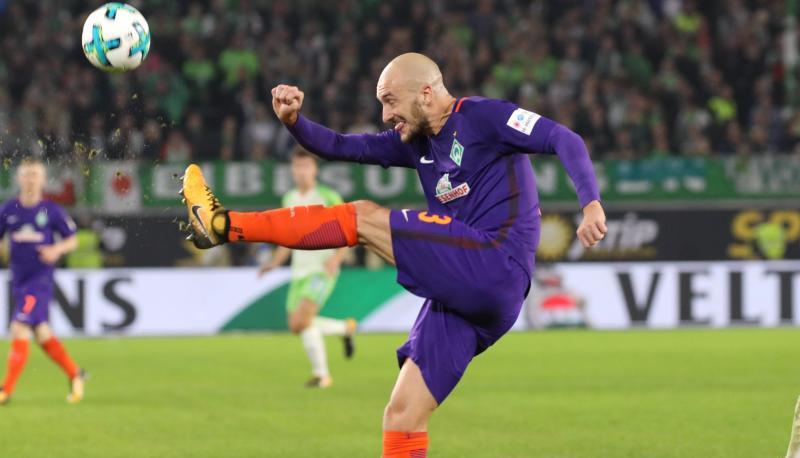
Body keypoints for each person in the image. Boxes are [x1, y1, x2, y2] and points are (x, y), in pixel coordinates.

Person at [180, 52, 606, 457]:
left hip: (495, 263)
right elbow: (342, 147)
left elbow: (561, 137)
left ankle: (223, 225)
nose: (385, 115)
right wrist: (294, 122)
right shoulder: (415, 142)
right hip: (468, 295)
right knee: (402, 414)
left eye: (390, 100)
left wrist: (590, 203)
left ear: (425, 91)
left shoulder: (484, 116)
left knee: (363, 218)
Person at [258, 146, 357, 388]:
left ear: (314, 169)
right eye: (297, 167)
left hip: (322, 269)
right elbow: (287, 239)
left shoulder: (327, 196)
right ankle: (345, 328)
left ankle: (322, 375)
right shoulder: (289, 199)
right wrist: (274, 263)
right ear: (292, 170)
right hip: (299, 272)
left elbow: (349, 228)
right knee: (296, 325)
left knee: (304, 320)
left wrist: (337, 258)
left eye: (306, 166)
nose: (302, 171)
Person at [0, 158, 85, 404]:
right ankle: (75, 373)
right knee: (42, 333)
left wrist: (55, 250)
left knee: (19, 327)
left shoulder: (51, 210)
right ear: (18, 178)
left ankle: (5, 390)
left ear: (43, 180)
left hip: (40, 281)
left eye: (35, 174)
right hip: (19, 280)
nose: (30, 179)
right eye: (26, 174)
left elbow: (73, 240)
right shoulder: (8, 209)